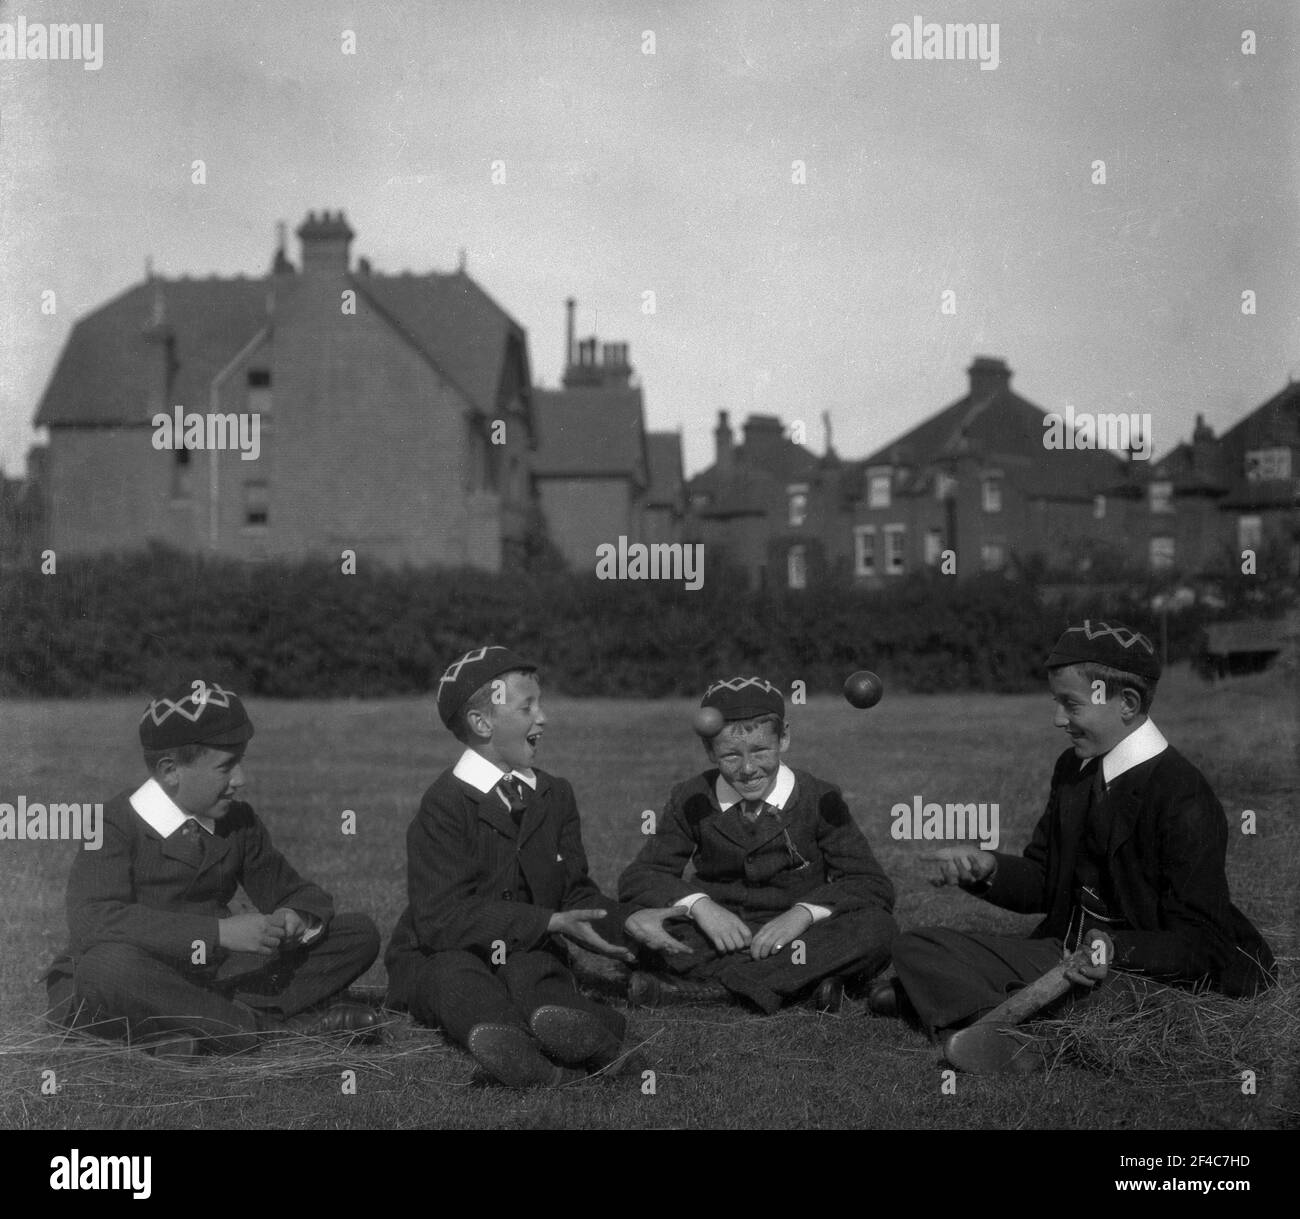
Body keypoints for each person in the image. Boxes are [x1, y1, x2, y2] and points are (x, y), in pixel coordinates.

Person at [878, 620, 1277, 1038]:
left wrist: (1114, 947)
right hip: (1063, 955)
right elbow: (1045, 883)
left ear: (1126, 702)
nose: (1057, 719)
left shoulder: (1184, 797)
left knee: (1111, 996)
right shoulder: (1073, 770)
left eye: (1071, 705)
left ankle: (972, 1010)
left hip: (1142, 972)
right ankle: (1001, 1017)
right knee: (915, 945)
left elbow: (1202, 942)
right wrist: (987, 869)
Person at [45, 679, 382, 1056]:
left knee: (358, 934)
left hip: (207, 975)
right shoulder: (110, 824)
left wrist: (295, 918)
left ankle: (185, 1029)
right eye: (226, 767)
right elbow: (94, 921)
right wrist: (219, 932)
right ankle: (266, 1029)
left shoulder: (236, 821)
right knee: (105, 968)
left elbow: (297, 891)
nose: (240, 779)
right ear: (171, 771)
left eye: (241, 762)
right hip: (135, 974)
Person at [385, 646, 637, 1088]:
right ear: (482, 724)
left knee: (536, 976)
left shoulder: (555, 795)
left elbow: (575, 893)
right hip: (443, 948)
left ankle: (592, 1037)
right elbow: (440, 919)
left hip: (525, 947)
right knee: (457, 981)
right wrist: (546, 920)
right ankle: (517, 1053)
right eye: (528, 708)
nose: (543, 718)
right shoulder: (444, 805)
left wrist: (630, 922)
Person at [618, 676, 896, 1012]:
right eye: (730, 756)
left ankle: (711, 991)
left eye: (761, 750)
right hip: (718, 939)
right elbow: (642, 875)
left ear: (785, 738)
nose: (748, 769)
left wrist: (803, 914)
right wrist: (701, 907)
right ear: (709, 751)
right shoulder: (690, 797)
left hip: (800, 939)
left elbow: (869, 883)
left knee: (878, 929)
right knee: (636, 924)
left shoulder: (821, 797)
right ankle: (801, 986)